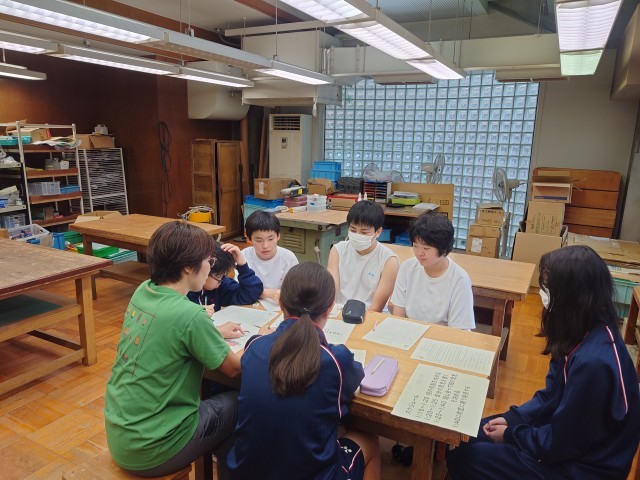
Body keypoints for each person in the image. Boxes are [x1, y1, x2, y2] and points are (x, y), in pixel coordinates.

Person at [447, 245, 640, 480]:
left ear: (572, 295)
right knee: (464, 435)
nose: (542, 294)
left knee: (467, 458)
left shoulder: (595, 364)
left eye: (549, 287)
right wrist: (513, 419)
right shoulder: (580, 330)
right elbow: (550, 396)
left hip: (583, 468)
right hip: (562, 442)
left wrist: (512, 435)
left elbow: (561, 443)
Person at [104, 221, 244, 478]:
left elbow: (172, 332)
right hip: (154, 448)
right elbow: (235, 369)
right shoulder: (190, 314)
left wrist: (213, 332)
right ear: (189, 266)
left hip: (122, 434)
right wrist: (258, 342)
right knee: (241, 402)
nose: (210, 267)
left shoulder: (143, 291)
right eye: (209, 261)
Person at [227, 262, 381, 480]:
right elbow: (352, 383)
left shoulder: (254, 346)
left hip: (245, 472)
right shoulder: (337, 359)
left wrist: (263, 335)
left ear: (281, 303)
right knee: (370, 440)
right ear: (330, 309)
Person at [390, 211, 474, 329]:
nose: (419, 253)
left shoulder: (459, 279)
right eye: (415, 246)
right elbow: (398, 316)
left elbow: (457, 331)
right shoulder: (407, 268)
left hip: (443, 336)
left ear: (444, 248)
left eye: (426, 248)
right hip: (411, 332)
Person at [327, 200, 399, 312]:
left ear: (378, 232)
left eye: (364, 232)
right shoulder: (337, 250)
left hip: (370, 314)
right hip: (340, 311)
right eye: (353, 230)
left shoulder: (389, 260)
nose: (357, 235)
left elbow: (376, 307)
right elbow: (331, 295)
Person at [188, 241, 264, 313]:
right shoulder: (185, 293)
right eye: (219, 276)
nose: (221, 281)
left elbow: (251, 294)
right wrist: (194, 313)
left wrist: (242, 265)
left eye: (223, 276)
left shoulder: (220, 285)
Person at [242, 210, 298, 301]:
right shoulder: (243, 256)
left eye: (270, 239)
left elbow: (295, 291)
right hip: (250, 303)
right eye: (259, 240)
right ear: (249, 239)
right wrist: (269, 294)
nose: (265, 246)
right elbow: (240, 289)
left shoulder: (289, 258)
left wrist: (257, 292)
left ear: (278, 236)